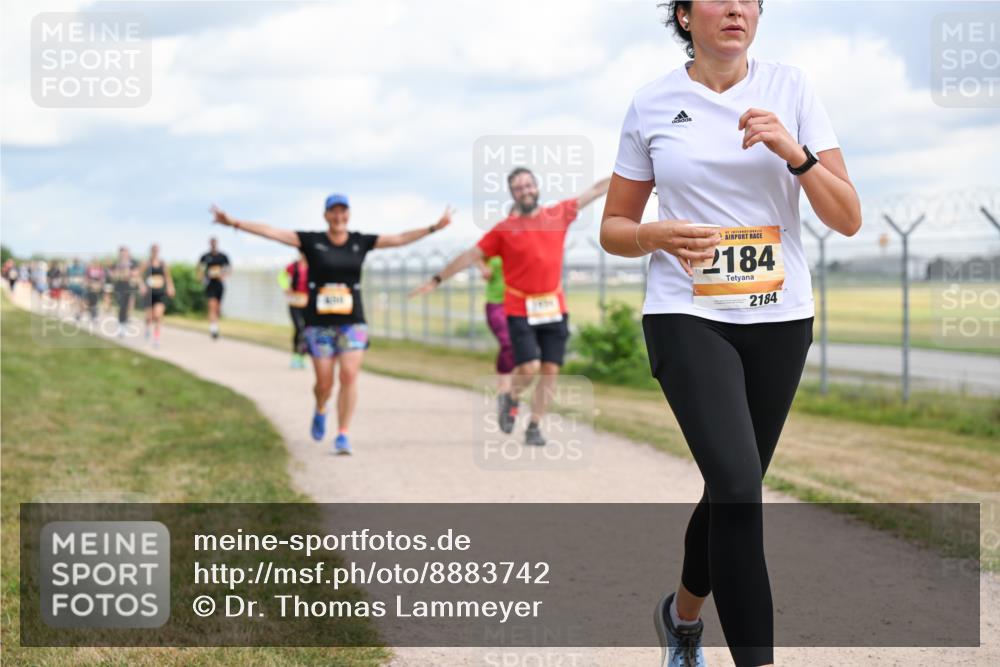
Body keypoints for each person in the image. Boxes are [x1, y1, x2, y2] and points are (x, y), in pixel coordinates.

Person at [599, 2, 861, 666]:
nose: (739, 7)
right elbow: (614, 229)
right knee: (742, 488)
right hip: (686, 314)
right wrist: (655, 233)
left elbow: (848, 216)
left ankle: (681, 617)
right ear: (685, 16)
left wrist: (793, 152)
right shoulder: (653, 103)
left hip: (779, 317)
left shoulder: (792, 88)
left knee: (730, 489)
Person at [209, 194, 453, 455]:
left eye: (343, 212)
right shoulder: (312, 241)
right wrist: (234, 222)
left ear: (349, 214)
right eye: (333, 212)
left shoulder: (361, 242)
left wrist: (433, 228)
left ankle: (343, 434)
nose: (339, 217)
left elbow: (400, 238)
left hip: (352, 322)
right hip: (319, 324)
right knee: (324, 383)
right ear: (326, 215)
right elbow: (271, 232)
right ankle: (321, 407)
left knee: (348, 376)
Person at [410, 169, 610, 446]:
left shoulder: (558, 214)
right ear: (512, 194)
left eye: (528, 185)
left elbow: (597, 190)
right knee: (528, 367)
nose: (525, 190)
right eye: (518, 187)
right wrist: (436, 280)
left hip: (553, 305)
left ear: (536, 187)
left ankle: (535, 426)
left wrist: (629, 167)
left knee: (550, 370)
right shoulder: (504, 230)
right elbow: (470, 256)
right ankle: (511, 397)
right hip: (519, 308)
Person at [476, 255, 515, 426]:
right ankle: (504, 393)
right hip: (496, 303)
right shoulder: (495, 240)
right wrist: (483, 269)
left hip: (520, 303)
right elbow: (475, 255)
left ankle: (513, 397)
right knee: (508, 344)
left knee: (525, 354)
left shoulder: (524, 240)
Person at [139, 244, 175, 348]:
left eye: (157, 250)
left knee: (158, 316)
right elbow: (139, 276)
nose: (155, 251)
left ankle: (156, 339)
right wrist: (141, 286)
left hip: (160, 293)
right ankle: (147, 328)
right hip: (149, 293)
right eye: (153, 250)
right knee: (149, 317)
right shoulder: (146, 263)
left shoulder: (163, 263)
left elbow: (168, 277)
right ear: (150, 251)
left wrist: (171, 287)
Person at [279, 251, 310, 369]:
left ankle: (303, 356)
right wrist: (286, 287)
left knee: (307, 330)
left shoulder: (313, 266)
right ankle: (296, 356)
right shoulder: (293, 266)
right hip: (294, 302)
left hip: (308, 303)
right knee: (299, 328)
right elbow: (282, 276)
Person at [197, 237, 230, 340]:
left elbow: (229, 268)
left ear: (217, 244)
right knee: (212, 306)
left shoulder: (223, 256)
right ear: (210, 244)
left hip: (219, 284)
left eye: (215, 243)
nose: (213, 245)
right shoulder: (205, 256)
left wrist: (223, 276)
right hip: (210, 284)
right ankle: (213, 329)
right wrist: (202, 278)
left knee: (217, 308)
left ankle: (215, 324)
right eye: (212, 243)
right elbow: (199, 269)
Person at [109, 246, 138, 337]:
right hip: (119, 287)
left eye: (125, 252)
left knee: (129, 306)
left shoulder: (133, 263)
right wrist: (117, 274)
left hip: (129, 286)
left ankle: (125, 322)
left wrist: (129, 273)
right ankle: (121, 326)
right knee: (121, 307)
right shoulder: (116, 264)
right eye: (122, 253)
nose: (124, 254)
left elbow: (136, 273)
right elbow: (112, 275)